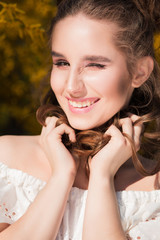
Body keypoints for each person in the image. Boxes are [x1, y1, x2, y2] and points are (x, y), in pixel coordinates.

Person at [0, 0, 160, 239]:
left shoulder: (154, 187)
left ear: (139, 72)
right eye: (62, 63)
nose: (71, 87)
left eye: (94, 65)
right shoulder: (6, 161)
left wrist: (102, 177)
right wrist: (62, 176)